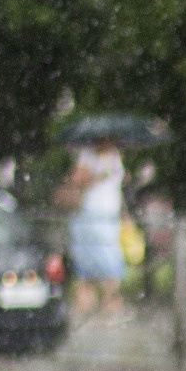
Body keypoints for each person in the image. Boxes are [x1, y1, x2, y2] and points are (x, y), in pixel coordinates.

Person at [58, 136, 127, 322]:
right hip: (90, 215)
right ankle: (86, 309)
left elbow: (116, 188)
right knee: (89, 265)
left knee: (109, 262)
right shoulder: (87, 156)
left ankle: (107, 306)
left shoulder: (115, 157)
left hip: (108, 216)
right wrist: (98, 175)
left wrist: (123, 213)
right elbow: (76, 179)